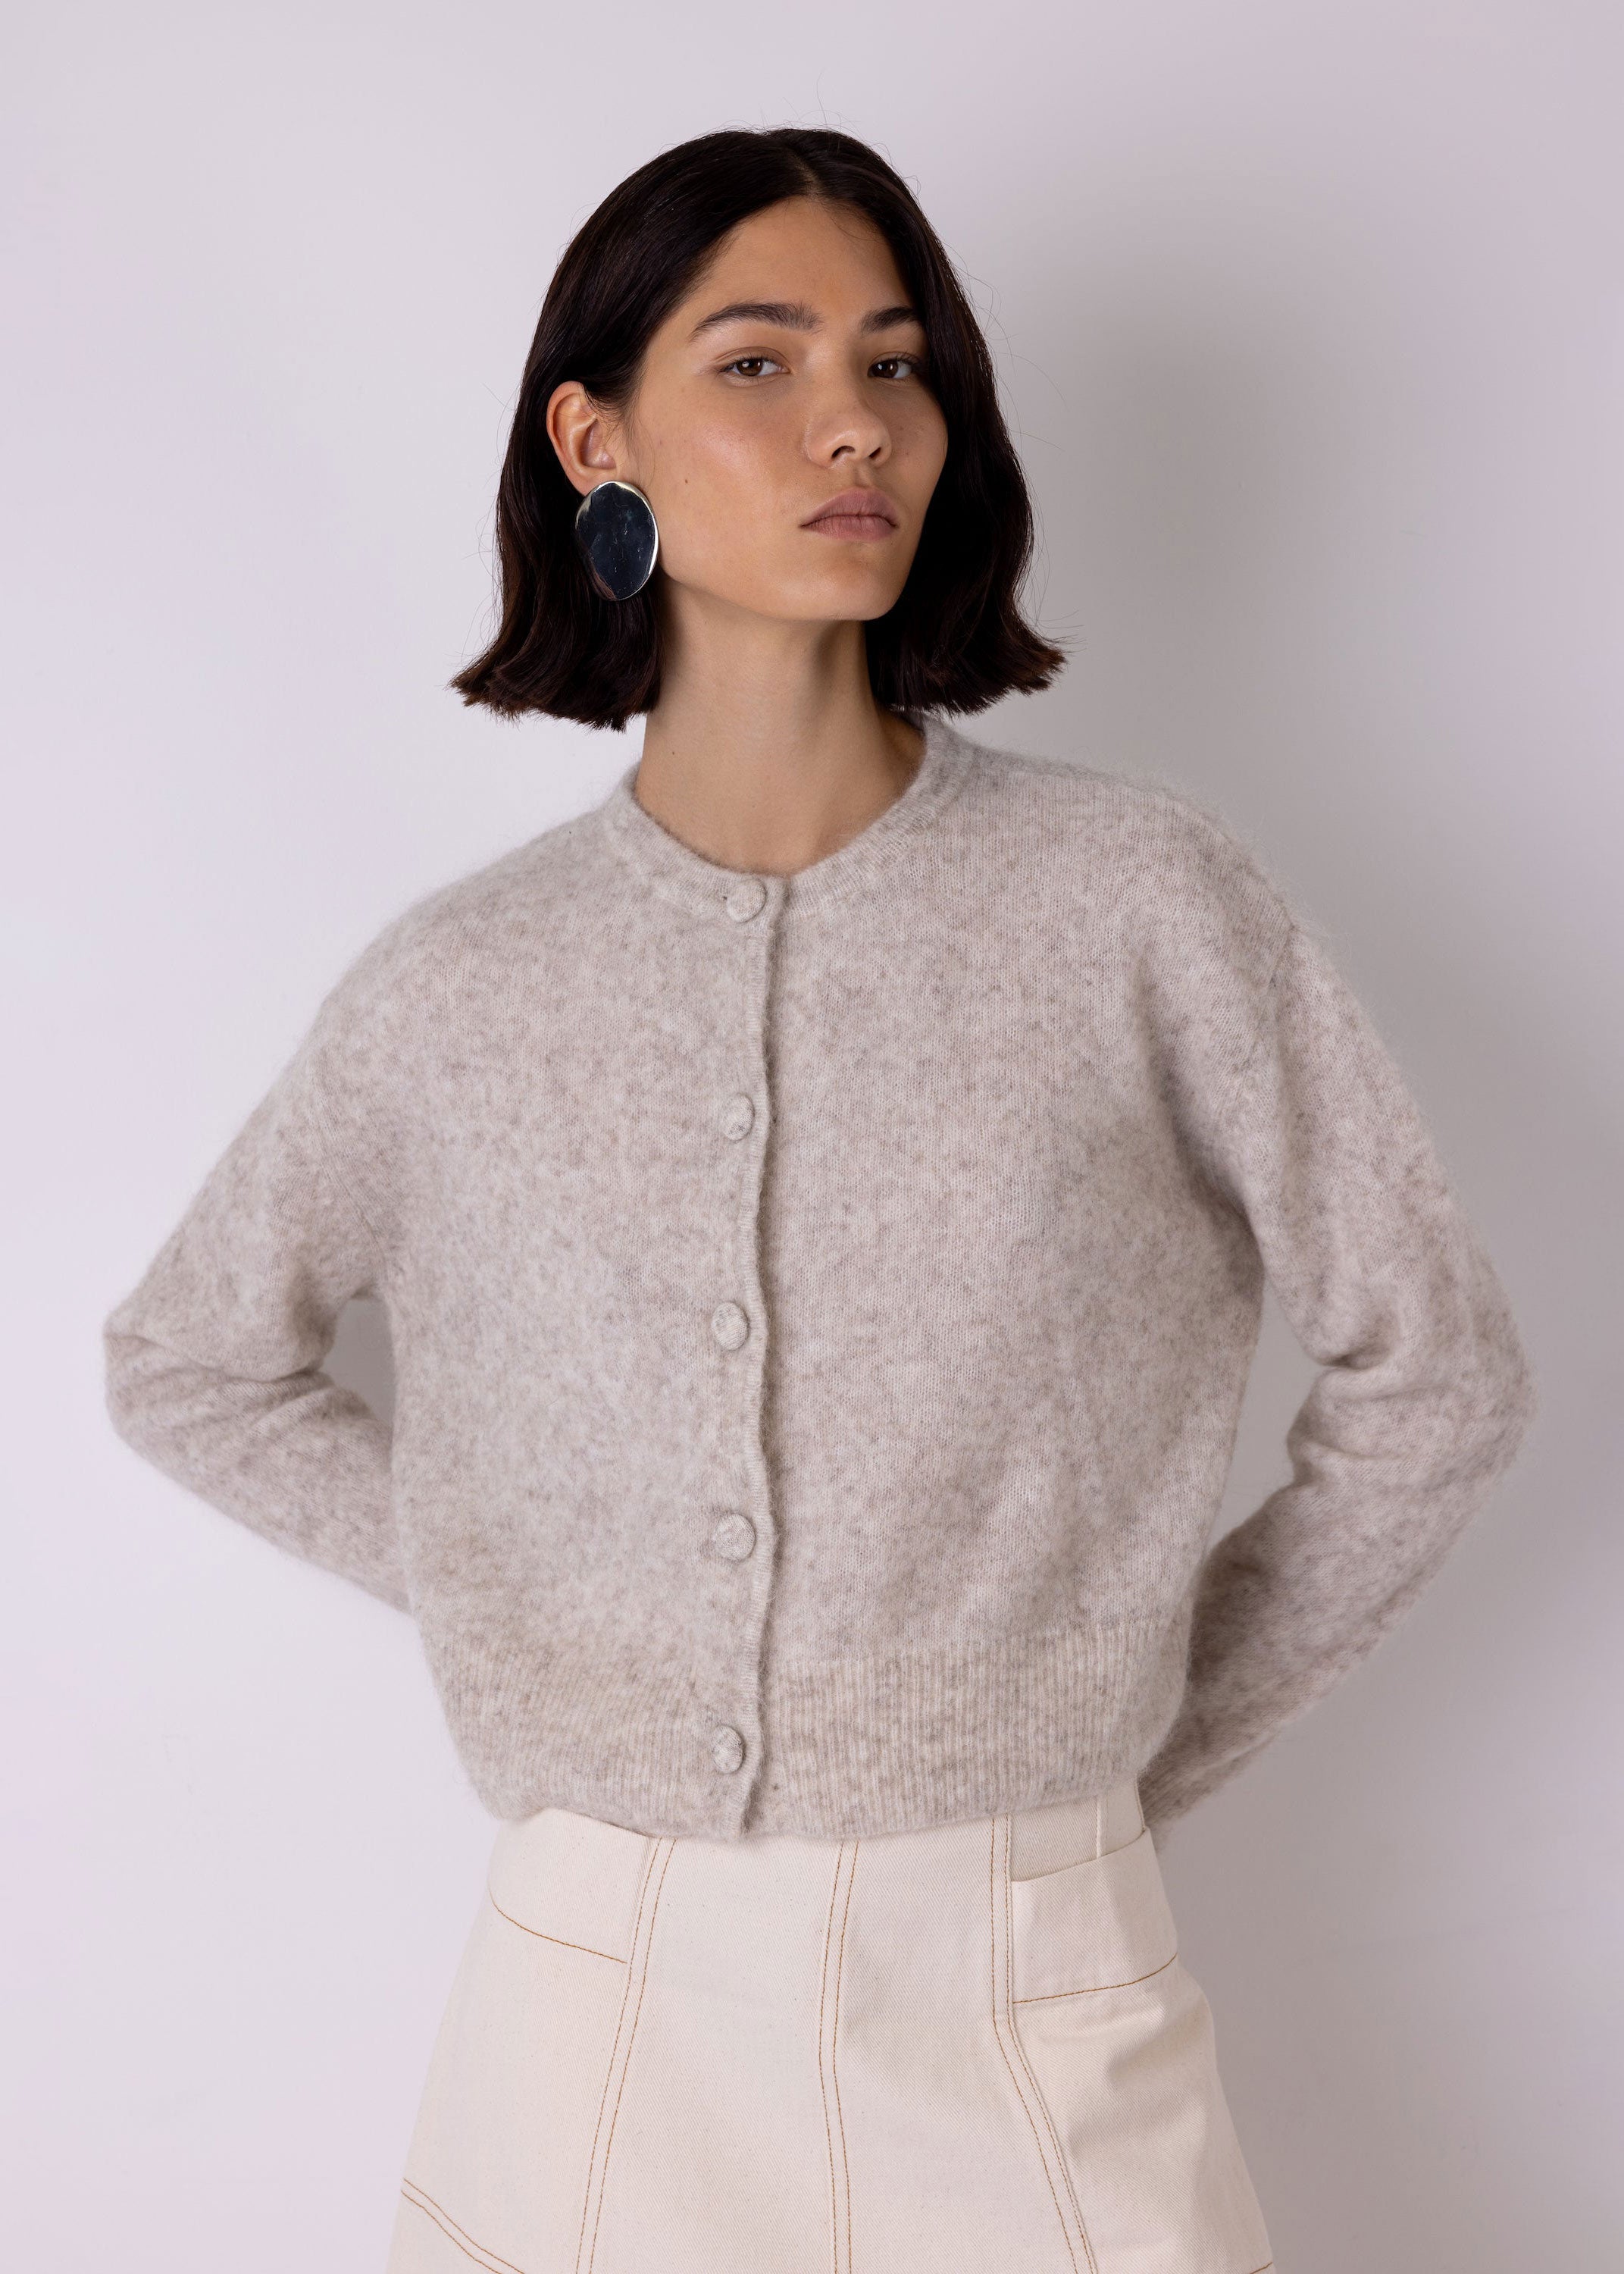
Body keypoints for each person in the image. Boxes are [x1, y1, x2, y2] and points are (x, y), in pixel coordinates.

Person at [102, 126, 1538, 2274]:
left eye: (895, 363)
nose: (853, 421)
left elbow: (1439, 1382)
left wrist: (1115, 1711)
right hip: (593, 2023)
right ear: (595, 439)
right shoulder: (461, 990)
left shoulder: (1141, 910)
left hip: (1033, 1999)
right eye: (757, 363)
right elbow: (189, 1364)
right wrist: (522, 1596)